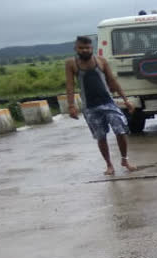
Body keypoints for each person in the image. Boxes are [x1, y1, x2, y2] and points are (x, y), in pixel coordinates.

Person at [65, 36, 138, 176]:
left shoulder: (101, 61)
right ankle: (109, 165)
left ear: (92, 48)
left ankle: (124, 160)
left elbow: (112, 81)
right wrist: (71, 106)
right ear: (76, 48)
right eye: (81, 48)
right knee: (101, 136)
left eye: (87, 47)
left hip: (108, 103)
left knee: (120, 130)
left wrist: (125, 99)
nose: (85, 50)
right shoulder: (71, 64)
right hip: (90, 107)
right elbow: (70, 85)